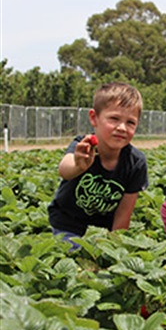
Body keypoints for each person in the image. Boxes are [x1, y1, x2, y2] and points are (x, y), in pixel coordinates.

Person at [48, 82, 148, 250]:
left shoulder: (136, 163)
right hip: (68, 225)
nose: (122, 128)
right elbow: (64, 170)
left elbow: (123, 215)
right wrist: (79, 165)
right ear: (94, 118)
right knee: (76, 254)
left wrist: (115, 251)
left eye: (130, 122)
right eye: (114, 118)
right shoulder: (83, 146)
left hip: (103, 233)